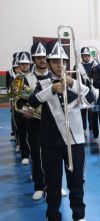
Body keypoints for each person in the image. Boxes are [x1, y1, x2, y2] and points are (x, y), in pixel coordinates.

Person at [29, 41, 91, 221]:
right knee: (53, 183)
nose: (59, 65)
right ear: (48, 63)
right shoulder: (42, 83)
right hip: (50, 141)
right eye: (54, 61)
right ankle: (53, 220)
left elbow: (92, 97)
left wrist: (72, 84)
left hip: (75, 141)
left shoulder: (76, 79)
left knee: (76, 182)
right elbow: (32, 100)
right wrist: (52, 90)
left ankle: (79, 217)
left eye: (62, 61)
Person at [23, 42, 50, 200]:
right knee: (36, 154)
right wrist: (25, 110)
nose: (42, 60)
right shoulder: (27, 79)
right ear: (33, 59)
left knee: (54, 156)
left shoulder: (54, 76)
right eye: (39, 57)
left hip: (54, 123)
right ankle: (39, 186)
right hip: (35, 122)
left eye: (44, 57)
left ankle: (56, 185)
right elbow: (22, 102)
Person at [76, 47, 99, 141]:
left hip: (94, 92)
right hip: (82, 92)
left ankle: (94, 131)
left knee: (95, 112)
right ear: (82, 56)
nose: (86, 57)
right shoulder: (77, 66)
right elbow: (75, 80)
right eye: (84, 55)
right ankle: (83, 130)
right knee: (82, 113)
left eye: (88, 55)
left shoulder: (95, 65)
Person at [13, 51, 31, 165]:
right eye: (22, 64)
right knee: (23, 133)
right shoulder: (17, 79)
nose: (25, 66)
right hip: (20, 111)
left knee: (34, 135)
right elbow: (16, 97)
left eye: (27, 64)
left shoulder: (33, 76)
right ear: (18, 65)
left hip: (34, 110)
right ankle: (25, 154)